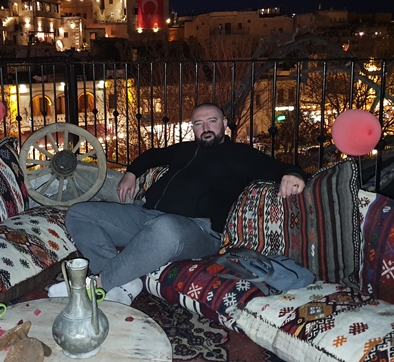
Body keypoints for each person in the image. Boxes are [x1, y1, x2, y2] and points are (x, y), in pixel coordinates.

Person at [49, 103, 307, 305]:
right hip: (145, 215)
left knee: (166, 228)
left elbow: (280, 167)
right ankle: (123, 283)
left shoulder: (241, 154)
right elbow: (150, 156)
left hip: (198, 230)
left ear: (224, 123)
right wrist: (131, 173)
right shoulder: (184, 150)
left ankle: (97, 285)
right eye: (198, 123)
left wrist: (294, 175)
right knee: (79, 213)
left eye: (212, 121)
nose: (205, 127)